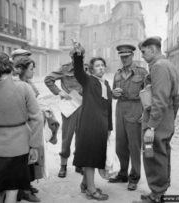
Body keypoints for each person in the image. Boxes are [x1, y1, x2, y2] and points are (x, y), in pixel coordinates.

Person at [0, 52, 43, 203]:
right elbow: (37, 118)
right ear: (9, 65)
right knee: (12, 190)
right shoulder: (23, 87)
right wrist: (34, 146)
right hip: (19, 145)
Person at [136, 37, 179, 203]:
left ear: (153, 50)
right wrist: (170, 118)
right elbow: (175, 99)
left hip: (157, 121)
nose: (142, 55)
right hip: (164, 118)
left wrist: (151, 126)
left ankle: (156, 195)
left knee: (153, 156)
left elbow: (159, 99)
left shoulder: (159, 67)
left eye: (144, 51)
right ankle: (159, 192)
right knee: (161, 155)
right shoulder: (168, 64)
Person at [72, 42, 112, 201]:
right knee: (90, 156)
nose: (101, 68)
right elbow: (78, 71)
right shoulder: (88, 81)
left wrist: (109, 127)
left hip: (101, 127)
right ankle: (91, 189)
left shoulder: (106, 84)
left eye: (102, 65)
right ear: (92, 69)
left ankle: (85, 184)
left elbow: (108, 107)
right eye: (97, 66)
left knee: (95, 155)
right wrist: (78, 55)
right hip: (89, 125)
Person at [109, 44, 147, 191]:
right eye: (122, 57)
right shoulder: (117, 74)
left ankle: (134, 177)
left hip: (135, 107)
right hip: (120, 109)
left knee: (134, 146)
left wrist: (145, 113)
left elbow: (148, 94)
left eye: (127, 56)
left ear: (132, 56)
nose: (124, 59)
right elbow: (112, 94)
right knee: (120, 145)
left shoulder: (142, 72)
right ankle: (123, 173)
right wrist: (114, 94)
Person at [44, 56, 83, 178]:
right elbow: (48, 79)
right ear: (71, 57)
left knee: (82, 136)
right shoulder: (64, 68)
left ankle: (79, 163)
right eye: (76, 56)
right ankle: (63, 165)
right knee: (67, 136)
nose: (78, 58)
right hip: (69, 106)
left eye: (81, 56)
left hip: (83, 105)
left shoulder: (86, 68)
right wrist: (59, 92)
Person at [13, 57, 41, 202]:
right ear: (22, 70)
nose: (34, 71)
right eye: (31, 68)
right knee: (25, 158)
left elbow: (36, 96)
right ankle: (23, 190)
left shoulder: (27, 83)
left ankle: (27, 185)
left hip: (31, 124)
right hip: (25, 125)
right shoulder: (18, 85)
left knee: (30, 158)